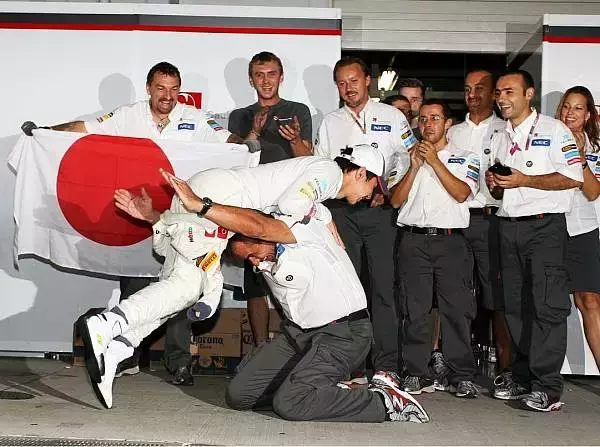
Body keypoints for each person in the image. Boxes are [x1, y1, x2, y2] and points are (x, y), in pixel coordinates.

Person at [81, 147, 387, 409]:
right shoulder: (330, 173)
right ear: (361, 173)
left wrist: (158, 220)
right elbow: (291, 207)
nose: (370, 196)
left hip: (216, 189)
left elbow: (167, 248)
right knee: (188, 286)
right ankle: (108, 323)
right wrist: (322, 216)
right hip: (222, 196)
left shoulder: (317, 176)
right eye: (374, 187)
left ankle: (118, 348)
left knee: (175, 289)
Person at [30, 61, 251, 387]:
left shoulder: (194, 118)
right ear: (149, 88)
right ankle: (127, 357)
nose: (168, 95)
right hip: (135, 214)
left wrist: (248, 145)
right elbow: (85, 128)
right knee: (134, 286)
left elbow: (230, 140)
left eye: (174, 89)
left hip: (179, 218)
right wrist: (46, 131)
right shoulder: (127, 115)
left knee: (178, 286)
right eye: (161, 88)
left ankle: (178, 363)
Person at [209, 207, 429, 423]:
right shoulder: (266, 258)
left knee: (290, 404)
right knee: (239, 395)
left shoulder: (304, 232)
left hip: (341, 333)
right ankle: (313, 392)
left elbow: (306, 194)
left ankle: (382, 402)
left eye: (252, 255)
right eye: (247, 260)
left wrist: (204, 206)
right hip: (297, 334)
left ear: (262, 235)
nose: (254, 262)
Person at [315, 57, 417, 383]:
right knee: (348, 290)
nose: (349, 88)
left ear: (367, 80)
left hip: (381, 213)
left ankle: (386, 366)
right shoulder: (330, 122)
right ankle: (352, 365)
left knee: (384, 289)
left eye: (354, 80)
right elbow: (324, 167)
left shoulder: (392, 115)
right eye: (342, 83)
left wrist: (387, 188)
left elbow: (410, 157)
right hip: (344, 213)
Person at [487, 70, 583, 411]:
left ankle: (548, 386)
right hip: (507, 226)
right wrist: (496, 184)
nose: (501, 98)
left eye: (509, 91)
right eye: (498, 92)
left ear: (530, 94)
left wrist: (525, 179)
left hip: (545, 229)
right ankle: (524, 377)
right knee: (515, 306)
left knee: (547, 306)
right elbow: (499, 187)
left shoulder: (555, 131)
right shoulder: (500, 134)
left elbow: (572, 178)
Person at [390, 98, 480, 398]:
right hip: (413, 240)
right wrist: (415, 166)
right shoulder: (405, 157)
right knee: (415, 311)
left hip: (451, 241)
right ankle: (416, 372)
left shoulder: (466, 157)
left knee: (457, 311)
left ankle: (461, 374)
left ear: (448, 124)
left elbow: (462, 192)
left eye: (435, 118)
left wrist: (435, 162)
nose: (428, 124)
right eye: (424, 119)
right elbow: (394, 200)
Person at [227, 51, 313, 353]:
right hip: (252, 206)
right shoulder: (240, 115)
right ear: (251, 79)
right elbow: (231, 158)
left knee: (293, 277)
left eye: (271, 73)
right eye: (260, 74)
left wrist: (293, 139)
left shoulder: (298, 111)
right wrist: (254, 131)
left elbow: (308, 159)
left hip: (290, 207)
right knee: (256, 282)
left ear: (281, 77)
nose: (266, 80)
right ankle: (261, 349)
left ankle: (298, 347)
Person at [447, 69, 512, 391]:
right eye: (467, 88)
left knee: (496, 298)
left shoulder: (506, 130)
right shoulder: (453, 131)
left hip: (491, 221)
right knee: (457, 298)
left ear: (493, 94)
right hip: (457, 222)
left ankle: (506, 368)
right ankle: (459, 370)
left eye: (480, 88)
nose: (472, 94)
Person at [555, 86, 600, 370]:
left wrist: (581, 159)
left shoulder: (595, 149)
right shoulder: (545, 138)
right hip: (550, 228)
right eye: (566, 106)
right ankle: (542, 378)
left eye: (578, 108)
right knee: (550, 308)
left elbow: (593, 192)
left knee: (591, 301)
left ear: (588, 115)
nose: (571, 113)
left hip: (582, 230)